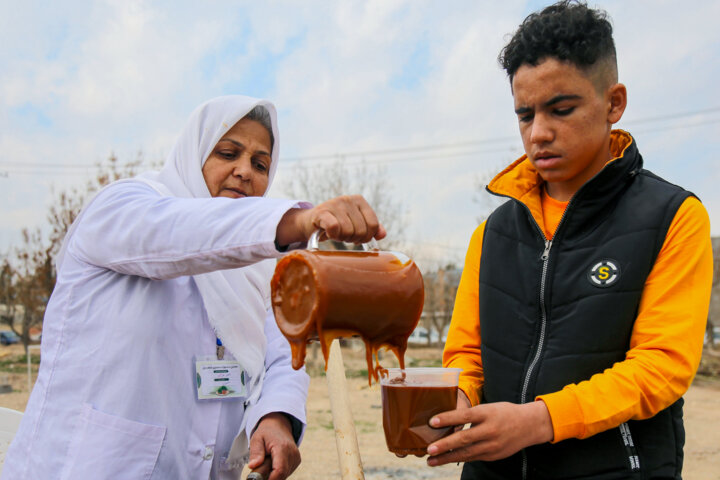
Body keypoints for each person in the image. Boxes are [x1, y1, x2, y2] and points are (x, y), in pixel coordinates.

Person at [2, 95, 386, 480]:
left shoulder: (262, 265)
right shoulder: (122, 209)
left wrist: (275, 416)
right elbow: (182, 231)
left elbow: (283, 351)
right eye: (227, 153)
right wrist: (299, 222)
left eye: (260, 163)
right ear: (194, 153)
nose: (244, 171)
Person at [429, 2, 713, 479]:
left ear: (613, 103)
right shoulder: (492, 233)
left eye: (561, 109)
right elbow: (466, 355)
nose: (538, 133)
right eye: (524, 115)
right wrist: (456, 403)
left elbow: (660, 367)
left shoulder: (673, 217)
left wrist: (538, 421)